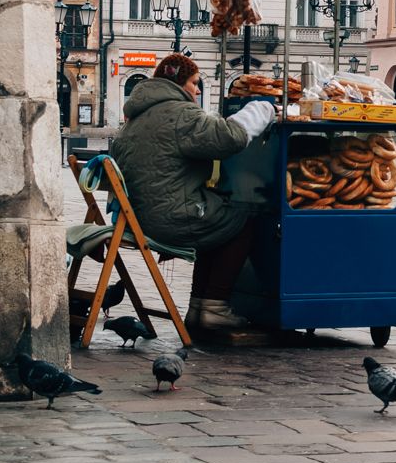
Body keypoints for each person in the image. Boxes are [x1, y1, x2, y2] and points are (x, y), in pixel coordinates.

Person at [112, 53, 274, 329]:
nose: (198, 89)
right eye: (195, 82)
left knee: (215, 222)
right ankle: (215, 305)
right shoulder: (180, 113)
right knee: (239, 223)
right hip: (168, 219)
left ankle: (199, 307)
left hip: (135, 219)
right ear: (178, 83)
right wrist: (263, 109)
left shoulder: (134, 119)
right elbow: (228, 138)